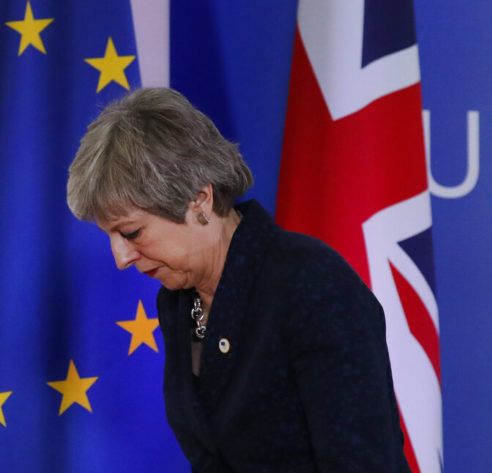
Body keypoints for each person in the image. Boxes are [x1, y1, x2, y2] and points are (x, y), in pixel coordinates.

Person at [66, 88, 411, 473]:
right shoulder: (180, 300)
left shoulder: (311, 283)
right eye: (109, 237)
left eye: (131, 233)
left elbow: (362, 462)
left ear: (199, 200)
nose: (121, 258)